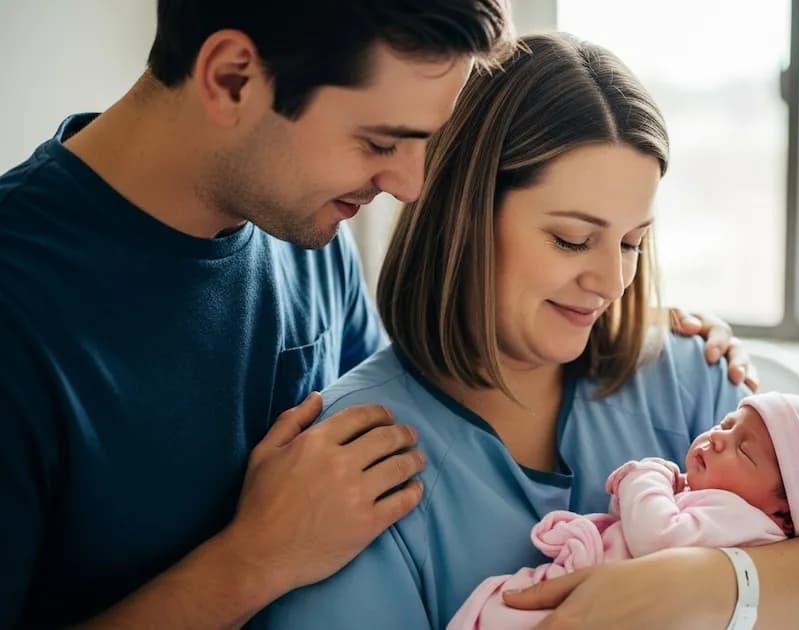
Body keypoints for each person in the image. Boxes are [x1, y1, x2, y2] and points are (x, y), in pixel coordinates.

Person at [0, 4, 748, 628]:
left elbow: (421, 412)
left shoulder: (307, 236)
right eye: (380, 142)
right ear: (231, 78)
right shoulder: (22, 304)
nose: (413, 185)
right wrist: (249, 562)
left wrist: (613, 313)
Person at [257, 33, 799, 630]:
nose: (609, 281)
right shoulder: (358, 461)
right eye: (572, 240)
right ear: (465, 216)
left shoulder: (692, 376)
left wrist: (694, 583)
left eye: (630, 243)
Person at [449, 392, 799, 629]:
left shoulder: (746, 522)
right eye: (726, 424)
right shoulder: (722, 503)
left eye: (743, 451)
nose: (719, 438)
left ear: (784, 513)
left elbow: (657, 538)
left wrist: (645, 475)